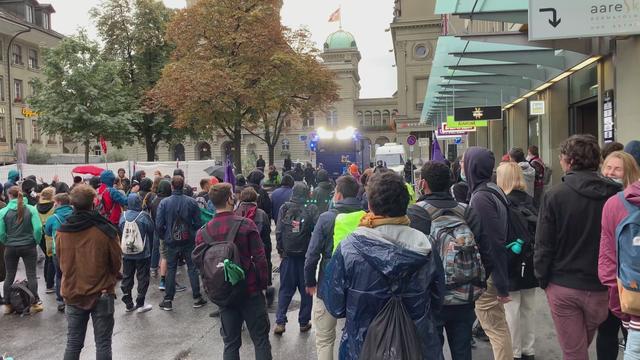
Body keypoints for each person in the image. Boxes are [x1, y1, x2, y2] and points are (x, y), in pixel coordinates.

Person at [322, 171, 444, 359]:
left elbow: (335, 305)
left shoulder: (349, 248)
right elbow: (438, 300)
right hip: (418, 347)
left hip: (362, 348)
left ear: (370, 206)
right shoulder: (427, 247)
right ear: (406, 204)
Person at [535, 134, 621, 359]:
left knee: (574, 350)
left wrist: (542, 278)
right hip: (602, 286)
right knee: (580, 344)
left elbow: (544, 243)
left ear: (569, 160)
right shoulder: (616, 194)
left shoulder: (555, 195)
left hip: (563, 283)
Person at [407, 161, 476, 360]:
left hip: (430, 297)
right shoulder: (467, 211)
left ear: (423, 184)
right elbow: (485, 253)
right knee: (463, 350)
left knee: (431, 351)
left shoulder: (415, 212)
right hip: (464, 294)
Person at [195, 183, 272, 359]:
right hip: (250, 290)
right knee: (260, 340)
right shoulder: (246, 225)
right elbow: (261, 259)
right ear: (230, 199)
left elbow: (200, 264)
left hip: (223, 292)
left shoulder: (203, 233)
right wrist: (262, 285)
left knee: (230, 343)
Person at [56, 184, 121, 360]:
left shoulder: (62, 231)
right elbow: (116, 261)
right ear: (93, 202)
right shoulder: (105, 230)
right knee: (103, 343)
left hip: (73, 291)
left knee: (74, 343)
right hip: (102, 291)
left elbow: (60, 261)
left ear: (73, 204)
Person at [304, 176, 363, 360]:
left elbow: (312, 255)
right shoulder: (367, 217)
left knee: (324, 337)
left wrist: (310, 282)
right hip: (360, 284)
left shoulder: (327, 218)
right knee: (359, 336)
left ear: (338, 194)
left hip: (329, 282)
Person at [464, 146, 513, 360]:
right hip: (494, 272)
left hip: (489, 274)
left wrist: (501, 284)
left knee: (495, 329)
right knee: (498, 327)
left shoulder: (480, 198)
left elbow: (493, 242)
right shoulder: (493, 189)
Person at [597, 150, 640, 358]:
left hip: (623, 286)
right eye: (608, 167)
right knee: (607, 332)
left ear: (629, 172)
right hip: (614, 285)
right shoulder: (599, 195)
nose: (611, 173)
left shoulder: (616, 203)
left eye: (617, 169)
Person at [496, 162, 539, 360]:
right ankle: (528, 350)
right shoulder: (531, 200)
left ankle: (514, 351)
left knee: (511, 311)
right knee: (528, 309)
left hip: (511, 262)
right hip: (530, 262)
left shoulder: (503, 203)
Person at [155, 176, 206, 311]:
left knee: (171, 268)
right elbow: (198, 223)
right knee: (192, 267)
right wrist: (193, 234)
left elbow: (159, 224)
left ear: (172, 186)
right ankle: (196, 297)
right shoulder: (191, 202)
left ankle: (168, 300)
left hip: (171, 240)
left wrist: (164, 236)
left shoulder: (164, 203)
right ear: (183, 185)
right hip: (188, 239)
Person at [274, 182, 319, 335]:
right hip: (305, 257)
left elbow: (279, 231)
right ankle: (304, 322)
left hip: (288, 256)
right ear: (307, 193)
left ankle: (280, 321)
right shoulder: (311, 208)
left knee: (285, 290)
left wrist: (281, 250)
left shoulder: (284, 208)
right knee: (306, 290)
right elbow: (316, 230)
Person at [0, 186, 44, 314]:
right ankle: (34, 303)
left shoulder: (4, 211)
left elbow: (1, 232)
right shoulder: (31, 209)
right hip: (28, 246)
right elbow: (37, 228)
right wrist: (35, 241)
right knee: (31, 274)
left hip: (10, 247)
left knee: (9, 275)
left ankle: (8, 305)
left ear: (9, 195)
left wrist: (6, 241)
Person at [235, 187, 274, 305]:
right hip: (259, 249)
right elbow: (266, 235)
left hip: (241, 251)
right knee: (264, 266)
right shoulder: (261, 214)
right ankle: (266, 286)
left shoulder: (235, 212)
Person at [118, 193, 154, 313]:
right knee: (142, 276)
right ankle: (140, 302)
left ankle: (128, 302)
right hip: (142, 252)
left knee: (127, 276)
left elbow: (120, 231)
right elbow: (151, 231)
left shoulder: (123, 216)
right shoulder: (143, 216)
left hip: (126, 252)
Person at [44, 192, 73, 312]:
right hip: (74, 250)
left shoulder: (52, 218)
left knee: (60, 275)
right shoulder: (75, 214)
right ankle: (73, 298)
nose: (54, 205)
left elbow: (47, 232)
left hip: (58, 251)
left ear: (59, 203)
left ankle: (61, 301)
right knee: (73, 274)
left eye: (55, 202)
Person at [37, 187, 57, 295]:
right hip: (50, 235)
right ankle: (49, 285)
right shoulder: (54, 206)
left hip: (40, 235)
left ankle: (47, 280)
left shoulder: (36, 207)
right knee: (51, 259)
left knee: (47, 258)